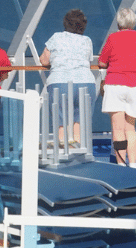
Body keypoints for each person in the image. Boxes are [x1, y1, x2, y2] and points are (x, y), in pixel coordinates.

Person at [40, 9, 97, 147]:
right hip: (86, 82)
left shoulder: (56, 37)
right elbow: (88, 62)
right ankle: (77, 153)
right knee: (79, 122)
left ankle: (62, 153)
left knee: (61, 122)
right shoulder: (87, 40)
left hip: (60, 81)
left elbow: (44, 60)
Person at [98, 7, 136, 167]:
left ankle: (121, 166)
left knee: (118, 130)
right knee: (130, 128)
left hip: (116, 84)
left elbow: (102, 62)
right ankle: (133, 165)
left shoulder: (113, 38)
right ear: (133, 22)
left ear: (118, 22)